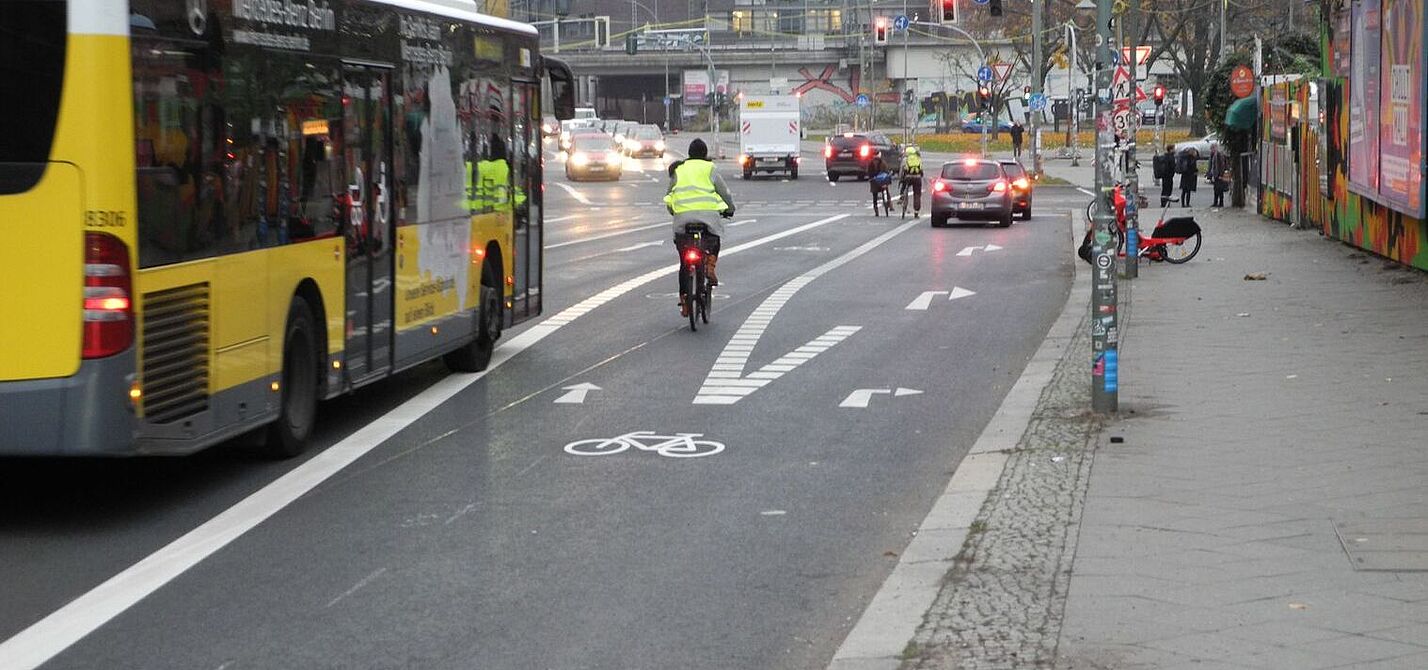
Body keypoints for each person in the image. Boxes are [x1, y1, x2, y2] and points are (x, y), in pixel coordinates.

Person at [665, 138, 735, 317]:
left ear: (689, 154)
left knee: (684, 262)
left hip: (683, 221)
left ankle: (685, 301)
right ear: (705, 154)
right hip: (708, 219)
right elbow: (724, 192)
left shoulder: (678, 169)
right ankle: (710, 264)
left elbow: (669, 195)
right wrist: (730, 209)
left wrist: (673, 210)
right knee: (714, 239)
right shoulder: (710, 168)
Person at [899, 145, 924, 218]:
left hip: (908, 177)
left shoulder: (905, 159)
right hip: (917, 178)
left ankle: (902, 196)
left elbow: (901, 170)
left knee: (904, 186)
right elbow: (921, 168)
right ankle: (916, 212)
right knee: (917, 194)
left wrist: (900, 179)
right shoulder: (918, 158)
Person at [866, 151, 891, 216]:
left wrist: (870, 178)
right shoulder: (883, 162)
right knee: (886, 191)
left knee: (875, 195)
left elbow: (869, 172)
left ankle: (875, 207)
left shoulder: (871, 163)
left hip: (875, 182)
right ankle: (889, 204)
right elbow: (887, 171)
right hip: (882, 182)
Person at [1208, 143, 1230, 208]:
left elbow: (1221, 165)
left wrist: (1220, 174)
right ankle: (1216, 202)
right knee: (1216, 189)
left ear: (1215, 148)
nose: (1211, 150)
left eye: (1212, 148)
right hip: (1216, 175)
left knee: (1219, 189)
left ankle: (1219, 203)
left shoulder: (1218, 155)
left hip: (1219, 175)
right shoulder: (1214, 155)